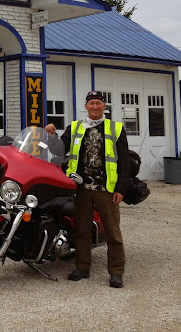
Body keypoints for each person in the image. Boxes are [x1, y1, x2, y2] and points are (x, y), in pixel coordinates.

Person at [45, 91, 130, 288]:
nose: (95, 107)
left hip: (105, 190)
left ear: (104, 106)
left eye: (98, 103)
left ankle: (116, 272)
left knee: (112, 232)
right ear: (86, 106)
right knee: (82, 230)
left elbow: (124, 162)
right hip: (81, 188)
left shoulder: (115, 128)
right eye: (91, 103)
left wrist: (121, 189)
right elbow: (59, 150)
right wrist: (51, 136)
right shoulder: (75, 127)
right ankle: (82, 267)